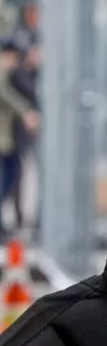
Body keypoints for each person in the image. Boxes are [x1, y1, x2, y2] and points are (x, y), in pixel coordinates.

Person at [0, 41, 38, 239]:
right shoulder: (3, 68)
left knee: (13, 174)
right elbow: (4, 92)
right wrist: (25, 112)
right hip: (4, 137)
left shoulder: (14, 71)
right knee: (6, 178)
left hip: (9, 137)